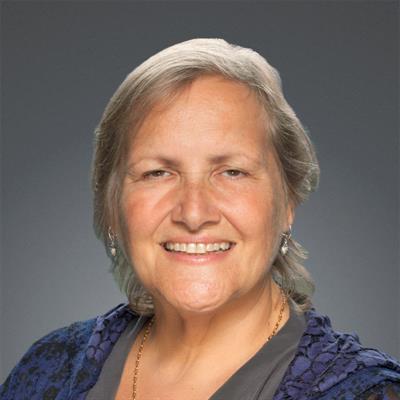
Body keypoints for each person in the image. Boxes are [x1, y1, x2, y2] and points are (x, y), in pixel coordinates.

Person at [1, 38, 399, 400]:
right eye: (158, 172)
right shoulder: (48, 368)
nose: (193, 213)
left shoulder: (366, 393)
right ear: (112, 207)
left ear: (288, 202)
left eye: (232, 172)